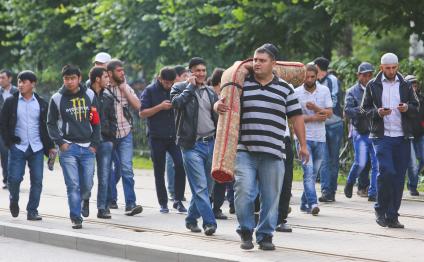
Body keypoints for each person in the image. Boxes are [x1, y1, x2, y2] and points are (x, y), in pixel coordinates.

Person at [215, 44, 309, 250]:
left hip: (274, 153)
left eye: (262, 60)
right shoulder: (241, 85)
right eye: (255, 60)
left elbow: (296, 117)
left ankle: (266, 235)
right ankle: (246, 230)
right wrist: (217, 106)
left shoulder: (285, 88)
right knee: (243, 192)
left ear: (273, 64)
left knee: (271, 197)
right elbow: (223, 103)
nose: (256, 63)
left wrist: (303, 145)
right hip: (245, 151)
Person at [361, 53, 419, 228]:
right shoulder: (373, 85)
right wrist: (378, 112)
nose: (391, 71)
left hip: (402, 137)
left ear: (398, 66)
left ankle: (392, 216)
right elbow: (364, 109)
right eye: (388, 68)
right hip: (382, 136)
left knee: (399, 177)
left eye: (394, 68)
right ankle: (380, 209)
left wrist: (407, 107)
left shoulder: (406, 85)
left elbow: (416, 107)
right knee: (387, 172)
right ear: (381, 68)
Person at [47, 65, 101, 229]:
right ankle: (75, 217)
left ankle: (85, 199)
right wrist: (61, 143)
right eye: (66, 78)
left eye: (72, 78)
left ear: (79, 78)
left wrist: (94, 144)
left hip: (88, 148)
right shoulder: (57, 98)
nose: (69, 82)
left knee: (87, 184)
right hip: (68, 148)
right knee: (73, 185)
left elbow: (96, 120)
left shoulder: (90, 95)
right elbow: (50, 123)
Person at [171, 57, 219, 236]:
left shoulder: (210, 92)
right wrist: (190, 88)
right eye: (197, 70)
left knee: (207, 187)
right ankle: (209, 223)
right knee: (200, 187)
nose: (201, 74)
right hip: (191, 146)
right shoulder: (179, 88)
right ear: (190, 72)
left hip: (211, 144)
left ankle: (191, 219)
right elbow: (176, 104)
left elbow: (217, 116)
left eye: (203, 70)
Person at [0, 70, 55, 220]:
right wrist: (10, 142)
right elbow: (3, 124)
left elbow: (46, 127)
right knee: (15, 179)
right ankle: (14, 199)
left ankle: (32, 211)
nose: (20, 84)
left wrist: (50, 146)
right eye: (19, 82)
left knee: (37, 180)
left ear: (33, 84)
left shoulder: (41, 103)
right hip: (18, 147)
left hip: (37, 148)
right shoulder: (11, 101)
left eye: (24, 82)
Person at [140, 67, 187, 213]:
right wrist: (160, 107)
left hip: (174, 136)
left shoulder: (176, 89)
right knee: (159, 170)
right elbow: (142, 113)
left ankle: (178, 200)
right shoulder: (149, 91)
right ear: (160, 79)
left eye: (171, 83)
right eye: (166, 83)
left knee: (180, 165)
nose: (168, 85)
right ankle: (163, 203)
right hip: (157, 137)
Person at [295, 64, 333, 216]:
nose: (309, 79)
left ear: (317, 76)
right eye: (306, 76)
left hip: (320, 138)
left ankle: (304, 203)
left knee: (314, 172)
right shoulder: (296, 92)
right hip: (303, 138)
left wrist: (316, 108)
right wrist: (314, 117)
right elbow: (295, 118)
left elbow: (329, 113)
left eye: (312, 76)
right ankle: (313, 203)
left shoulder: (324, 90)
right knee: (308, 172)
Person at [106, 59, 143, 216]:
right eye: (119, 70)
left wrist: (124, 89)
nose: (122, 73)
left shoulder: (126, 87)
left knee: (126, 168)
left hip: (125, 133)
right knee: (107, 169)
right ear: (110, 73)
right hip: (108, 136)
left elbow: (139, 106)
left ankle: (131, 203)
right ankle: (108, 199)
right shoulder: (103, 89)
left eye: (123, 70)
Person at [344, 62, 378, 202]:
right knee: (361, 163)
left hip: (376, 131)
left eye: (370, 75)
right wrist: (363, 110)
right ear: (359, 76)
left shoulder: (377, 89)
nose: (368, 77)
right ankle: (350, 182)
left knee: (377, 164)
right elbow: (348, 111)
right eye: (365, 75)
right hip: (360, 132)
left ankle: (373, 193)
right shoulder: (352, 91)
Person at [314, 57, 344, 202]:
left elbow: (335, 99)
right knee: (324, 159)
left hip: (335, 124)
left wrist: (321, 110)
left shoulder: (332, 80)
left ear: (318, 67)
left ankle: (332, 189)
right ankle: (326, 191)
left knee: (333, 159)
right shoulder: (315, 82)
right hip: (321, 125)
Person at [88, 66, 117, 218]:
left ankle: (103, 207)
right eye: (106, 77)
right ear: (97, 79)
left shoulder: (108, 96)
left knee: (104, 176)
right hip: (87, 142)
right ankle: (84, 201)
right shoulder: (84, 95)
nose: (108, 80)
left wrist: (112, 139)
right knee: (87, 176)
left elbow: (113, 119)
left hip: (105, 141)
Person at [166, 65, 189, 201]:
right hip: (169, 132)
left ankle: (178, 192)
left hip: (182, 130)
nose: (187, 78)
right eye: (184, 76)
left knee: (180, 163)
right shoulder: (174, 89)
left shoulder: (186, 89)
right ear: (178, 77)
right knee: (171, 162)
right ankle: (172, 191)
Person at [405, 75, 424, 196]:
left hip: (420, 134)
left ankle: (412, 179)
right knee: (412, 162)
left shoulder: (422, 99)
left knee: (422, 158)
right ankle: (412, 186)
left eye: (415, 84)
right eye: (412, 84)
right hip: (408, 136)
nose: (414, 87)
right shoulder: (403, 101)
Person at [0, 69, 18, 189]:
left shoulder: (17, 91)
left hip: (14, 128)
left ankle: (13, 178)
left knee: (13, 154)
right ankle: (7, 179)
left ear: (10, 79)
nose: (0, 80)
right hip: (1, 128)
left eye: (3, 78)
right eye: (0, 78)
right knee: (4, 153)